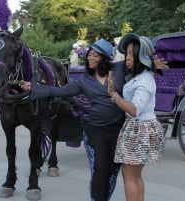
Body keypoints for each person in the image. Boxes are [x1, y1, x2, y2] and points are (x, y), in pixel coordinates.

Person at [20, 38, 168, 201]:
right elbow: (60, 91)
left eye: (94, 55)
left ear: (104, 58)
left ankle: (105, 197)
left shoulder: (119, 69)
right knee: (100, 169)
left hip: (119, 129)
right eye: (88, 55)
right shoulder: (83, 81)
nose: (90, 58)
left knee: (113, 170)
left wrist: (153, 64)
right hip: (95, 128)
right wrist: (34, 87)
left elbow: (139, 64)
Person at [107, 33, 166, 201]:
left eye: (132, 53)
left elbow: (134, 110)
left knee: (130, 176)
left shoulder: (144, 80)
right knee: (135, 176)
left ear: (141, 56)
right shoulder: (141, 76)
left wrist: (113, 94)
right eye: (127, 53)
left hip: (139, 129)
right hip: (140, 128)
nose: (127, 57)